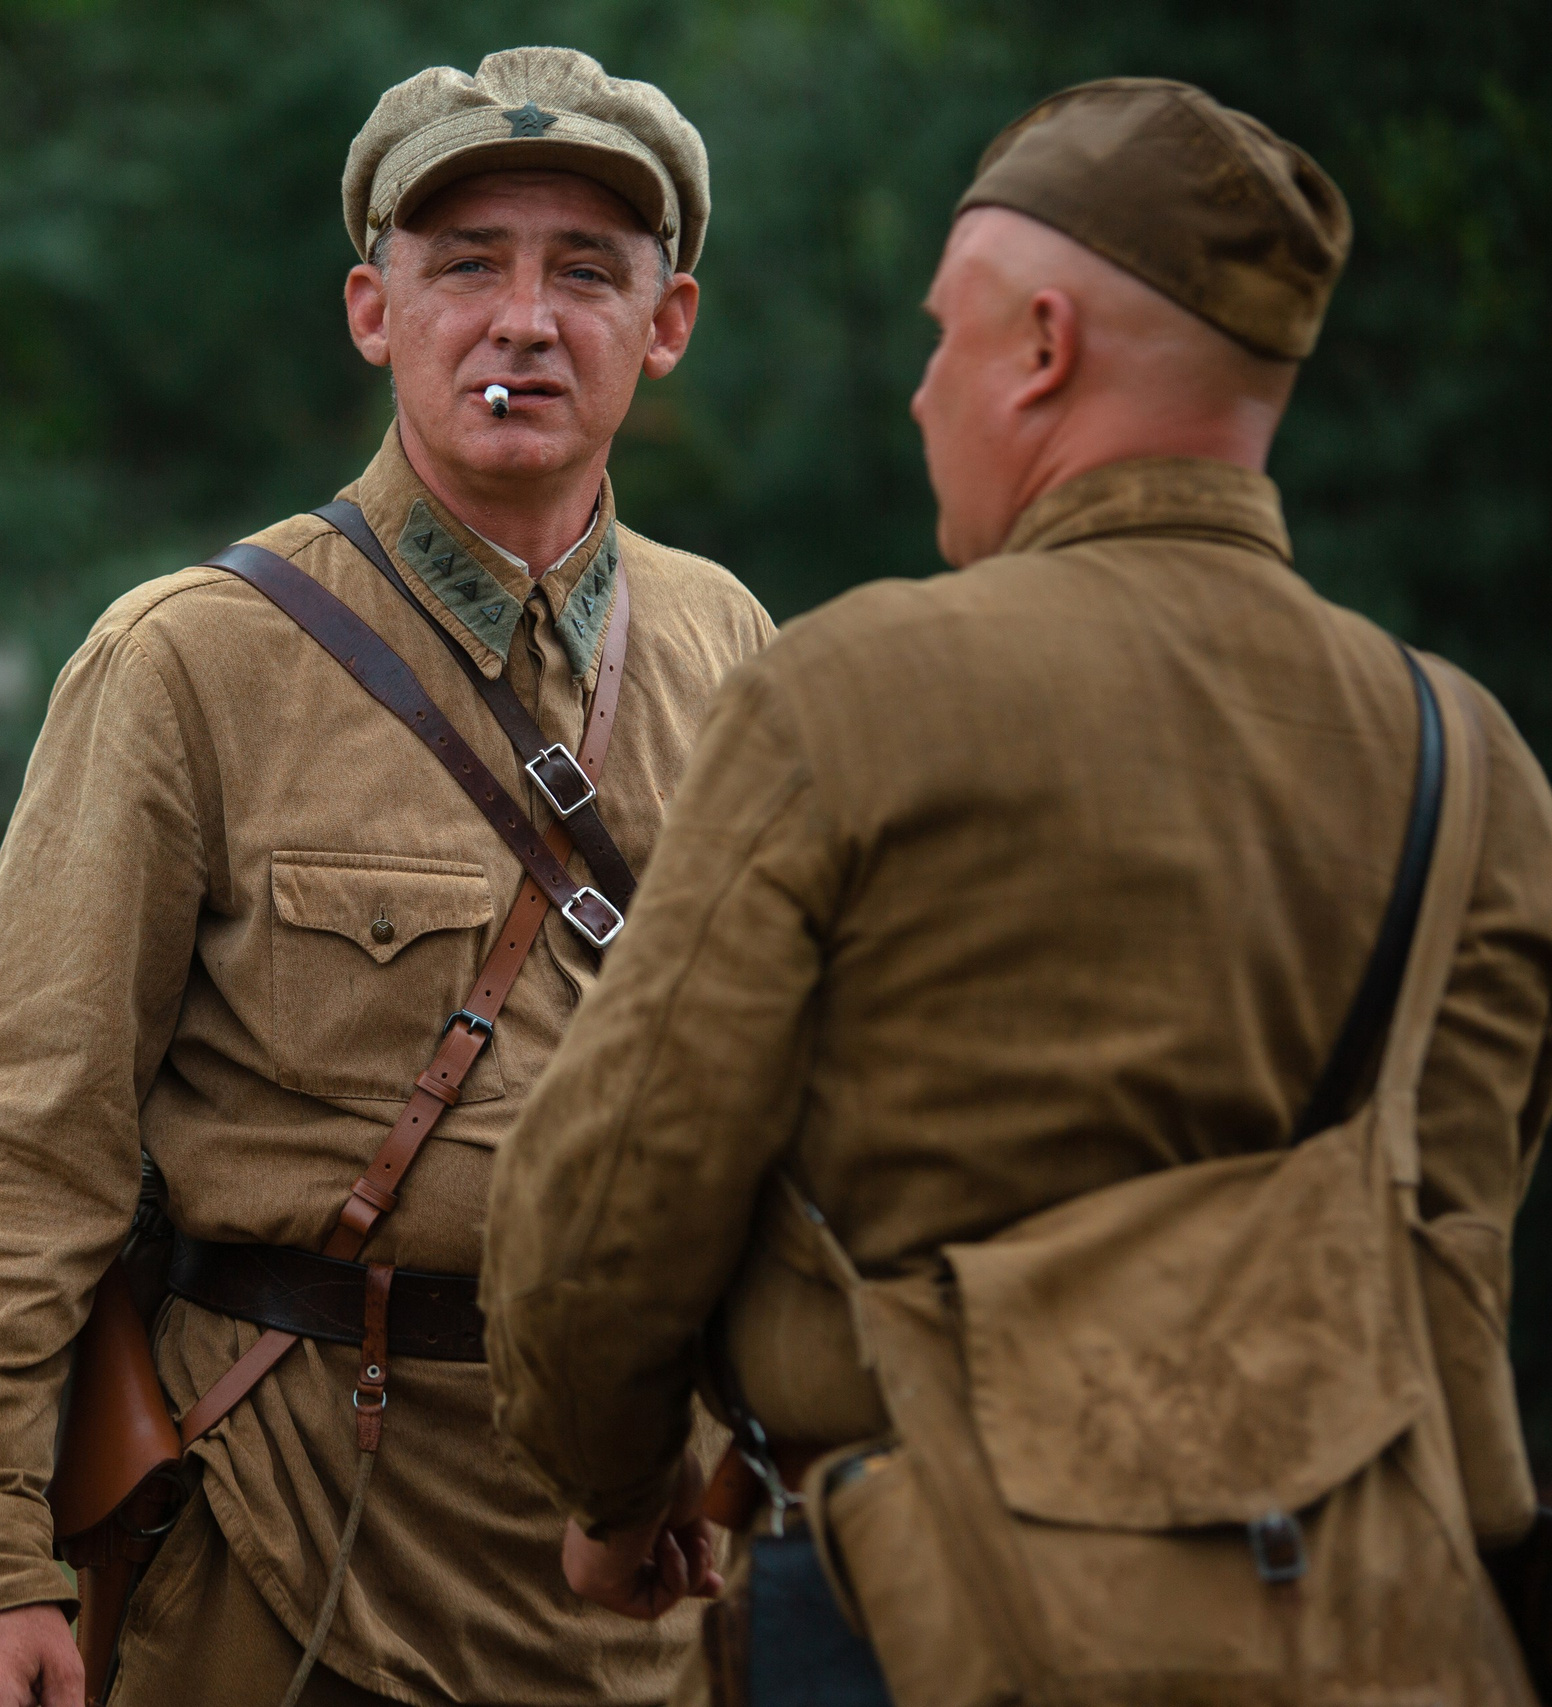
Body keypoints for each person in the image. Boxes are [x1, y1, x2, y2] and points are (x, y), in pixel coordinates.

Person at [483, 77, 1552, 1706]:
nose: (922, 396)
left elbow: (621, 1190)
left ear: (1043, 348)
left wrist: (612, 1491)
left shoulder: (850, 695)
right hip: (1358, 1625)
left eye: (944, 341)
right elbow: (1448, 1254)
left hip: (917, 1614)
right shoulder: (1467, 760)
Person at [0, 45, 774, 1707]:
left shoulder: (731, 646)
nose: (524, 319)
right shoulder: (191, 661)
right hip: (283, 1551)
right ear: (376, 312)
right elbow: (9, 1144)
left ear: (666, 328)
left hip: (632, 1582)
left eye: (587, 272)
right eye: (467, 268)